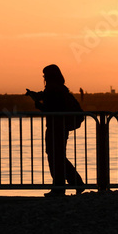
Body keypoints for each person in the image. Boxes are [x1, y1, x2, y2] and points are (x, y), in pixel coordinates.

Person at [26, 64, 85, 197]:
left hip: (56, 127)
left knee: (55, 156)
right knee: (57, 156)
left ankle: (62, 187)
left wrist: (39, 106)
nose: (44, 77)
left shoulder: (53, 90)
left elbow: (51, 108)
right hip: (60, 127)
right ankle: (72, 183)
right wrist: (34, 95)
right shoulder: (59, 88)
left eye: (45, 75)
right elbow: (45, 97)